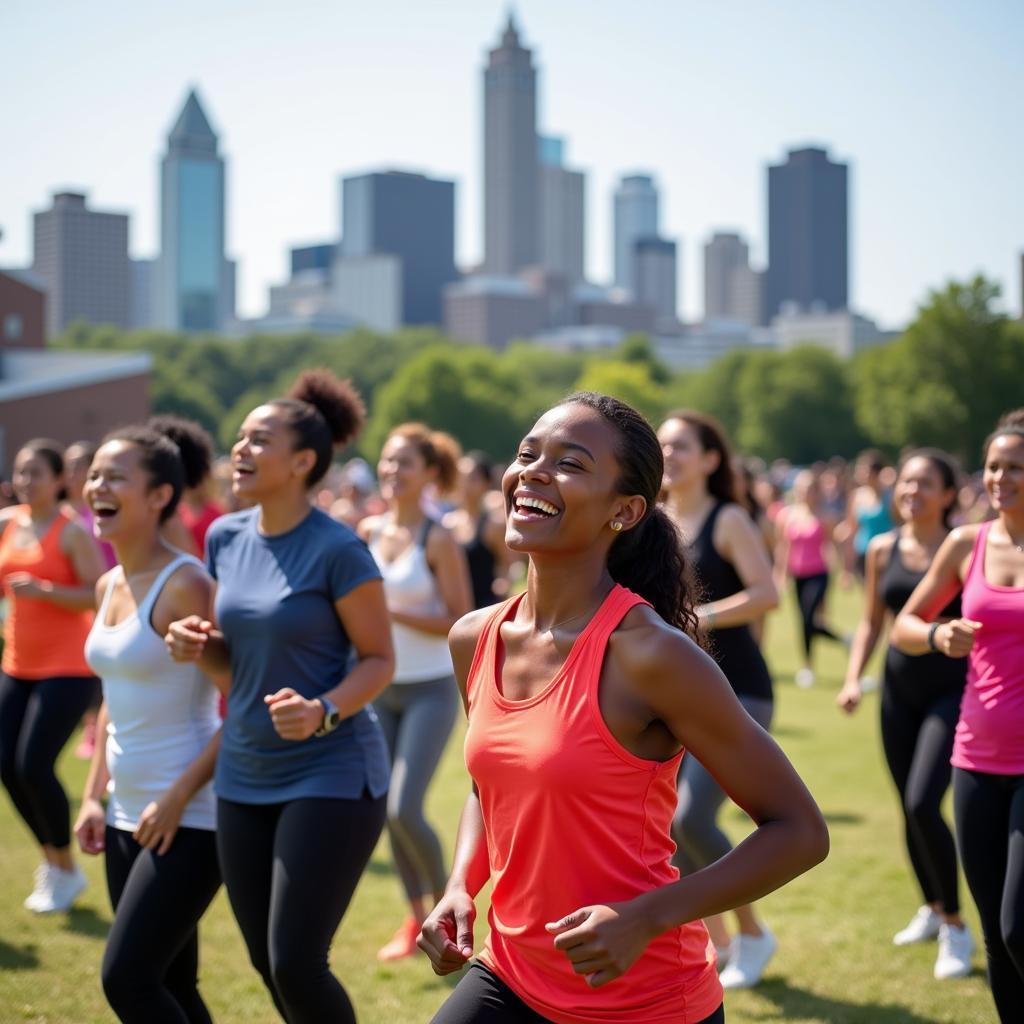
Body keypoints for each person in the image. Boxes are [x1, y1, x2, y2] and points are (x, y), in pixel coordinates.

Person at [419, 392, 829, 1024]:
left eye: (570, 464)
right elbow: (490, 783)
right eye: (528, 454)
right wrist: (459, 887)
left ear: (625, 510)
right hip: (511, 974)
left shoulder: (651, 656)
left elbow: (799, 831)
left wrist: (646, 917)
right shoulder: (473, 638)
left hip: (644, 998)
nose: (532, 471)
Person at [166, 369, 395, 1024]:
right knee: (268, 962)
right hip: (244, 772)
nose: (239, 449)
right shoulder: (224, 537)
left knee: (297, 959)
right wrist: (196, 644)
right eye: (238, 437)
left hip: (331, 771)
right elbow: (235, 663)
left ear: (302, 461)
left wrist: (322, 710)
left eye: (259, 439)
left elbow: (380, 660)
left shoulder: (340, 549)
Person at [74, 418, 224, 1023]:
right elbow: (115, 693)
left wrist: (177, 795)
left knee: (128, 979)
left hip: (188, 815)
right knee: (172, 983)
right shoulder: (109, 582)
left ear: (161, 495)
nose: (97, 487)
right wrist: (93, 797)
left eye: (116, 477)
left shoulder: (187, 583)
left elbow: (237, 706)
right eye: (93, 476)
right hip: (123, 812)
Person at [892, 410, 1024, 1023]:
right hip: (976, 755)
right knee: (997, 939)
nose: (999, 478)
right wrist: (939, 633)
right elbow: (904, 625)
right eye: (993, 465)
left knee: (1019, 925)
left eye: (1015, 468)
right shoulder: (967, 543)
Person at [837, 450, 974, 979]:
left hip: (953, 689)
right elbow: (873, 621)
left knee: (923, 802)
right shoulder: (882, 548)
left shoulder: (963, 548)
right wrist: (853, 677)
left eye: (924, 483)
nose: (911, 491)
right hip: (898, 688)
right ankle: (932, 906)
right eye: (905, 482)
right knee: (907, 806)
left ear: (947, 494)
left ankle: (956, 927)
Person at [657, 410, 781, 988]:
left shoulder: (728, 517)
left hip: (740, 690)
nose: (670, 453)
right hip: (673, 694)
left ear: (710, 459)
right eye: (662, 445)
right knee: (668, 830)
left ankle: (753, 933)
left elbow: (766, 594)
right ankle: (721, 942)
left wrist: (694, 618)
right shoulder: (651, 521)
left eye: (681, 445)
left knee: (692, 818)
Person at [359, 424, 473, 961]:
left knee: (405, 806)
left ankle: (450, 909)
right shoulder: (367, 531)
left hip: (429, 688)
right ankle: (413, 919)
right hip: (378, 687)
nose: (392, 471)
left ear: (429, 473)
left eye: (405, 462)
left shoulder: (439, 537)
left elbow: (461, 619)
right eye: (386, 461)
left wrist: (390, 611)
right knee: (384, 808)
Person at [0, 438, 106, 913]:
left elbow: (96, 594)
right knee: (6, 764)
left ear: (60, 480)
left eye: (35, 473)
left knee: (33, 765)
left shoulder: (71, 532)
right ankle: (55, 864)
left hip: (68, 666)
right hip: (17, 662)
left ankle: (63, 867)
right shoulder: (7, 523)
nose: (25, 481)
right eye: (20, 472)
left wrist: (44, 590)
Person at [774, 469, 846, 687]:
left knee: (808, 617)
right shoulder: (787, 515)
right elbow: (783, 547)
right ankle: (809, 665)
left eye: (809, 489)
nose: (805, 493)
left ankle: (811, 664)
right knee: (803, 622)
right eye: (801, 489)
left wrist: (843, 573)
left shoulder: (826, 516)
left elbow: (832, 547)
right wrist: (780, 573)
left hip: (819, 573)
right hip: (798, 574)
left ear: (817, 491)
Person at [444, 450, 511, 610]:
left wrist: (503, 583)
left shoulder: (494, 525)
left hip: (485, 608)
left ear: (486, 483)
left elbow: (507, 566)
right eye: (461, 478)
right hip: (455, 609)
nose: (465, 485)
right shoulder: (447, 523)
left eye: (472, 479)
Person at [840, 449, 894, 578]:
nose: (859, 473)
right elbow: (852, 530)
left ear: (876, 472)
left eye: (863, 469)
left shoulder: (890, 496)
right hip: (863, 553)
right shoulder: (856, 496)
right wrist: (847, 567)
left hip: (887, 553)